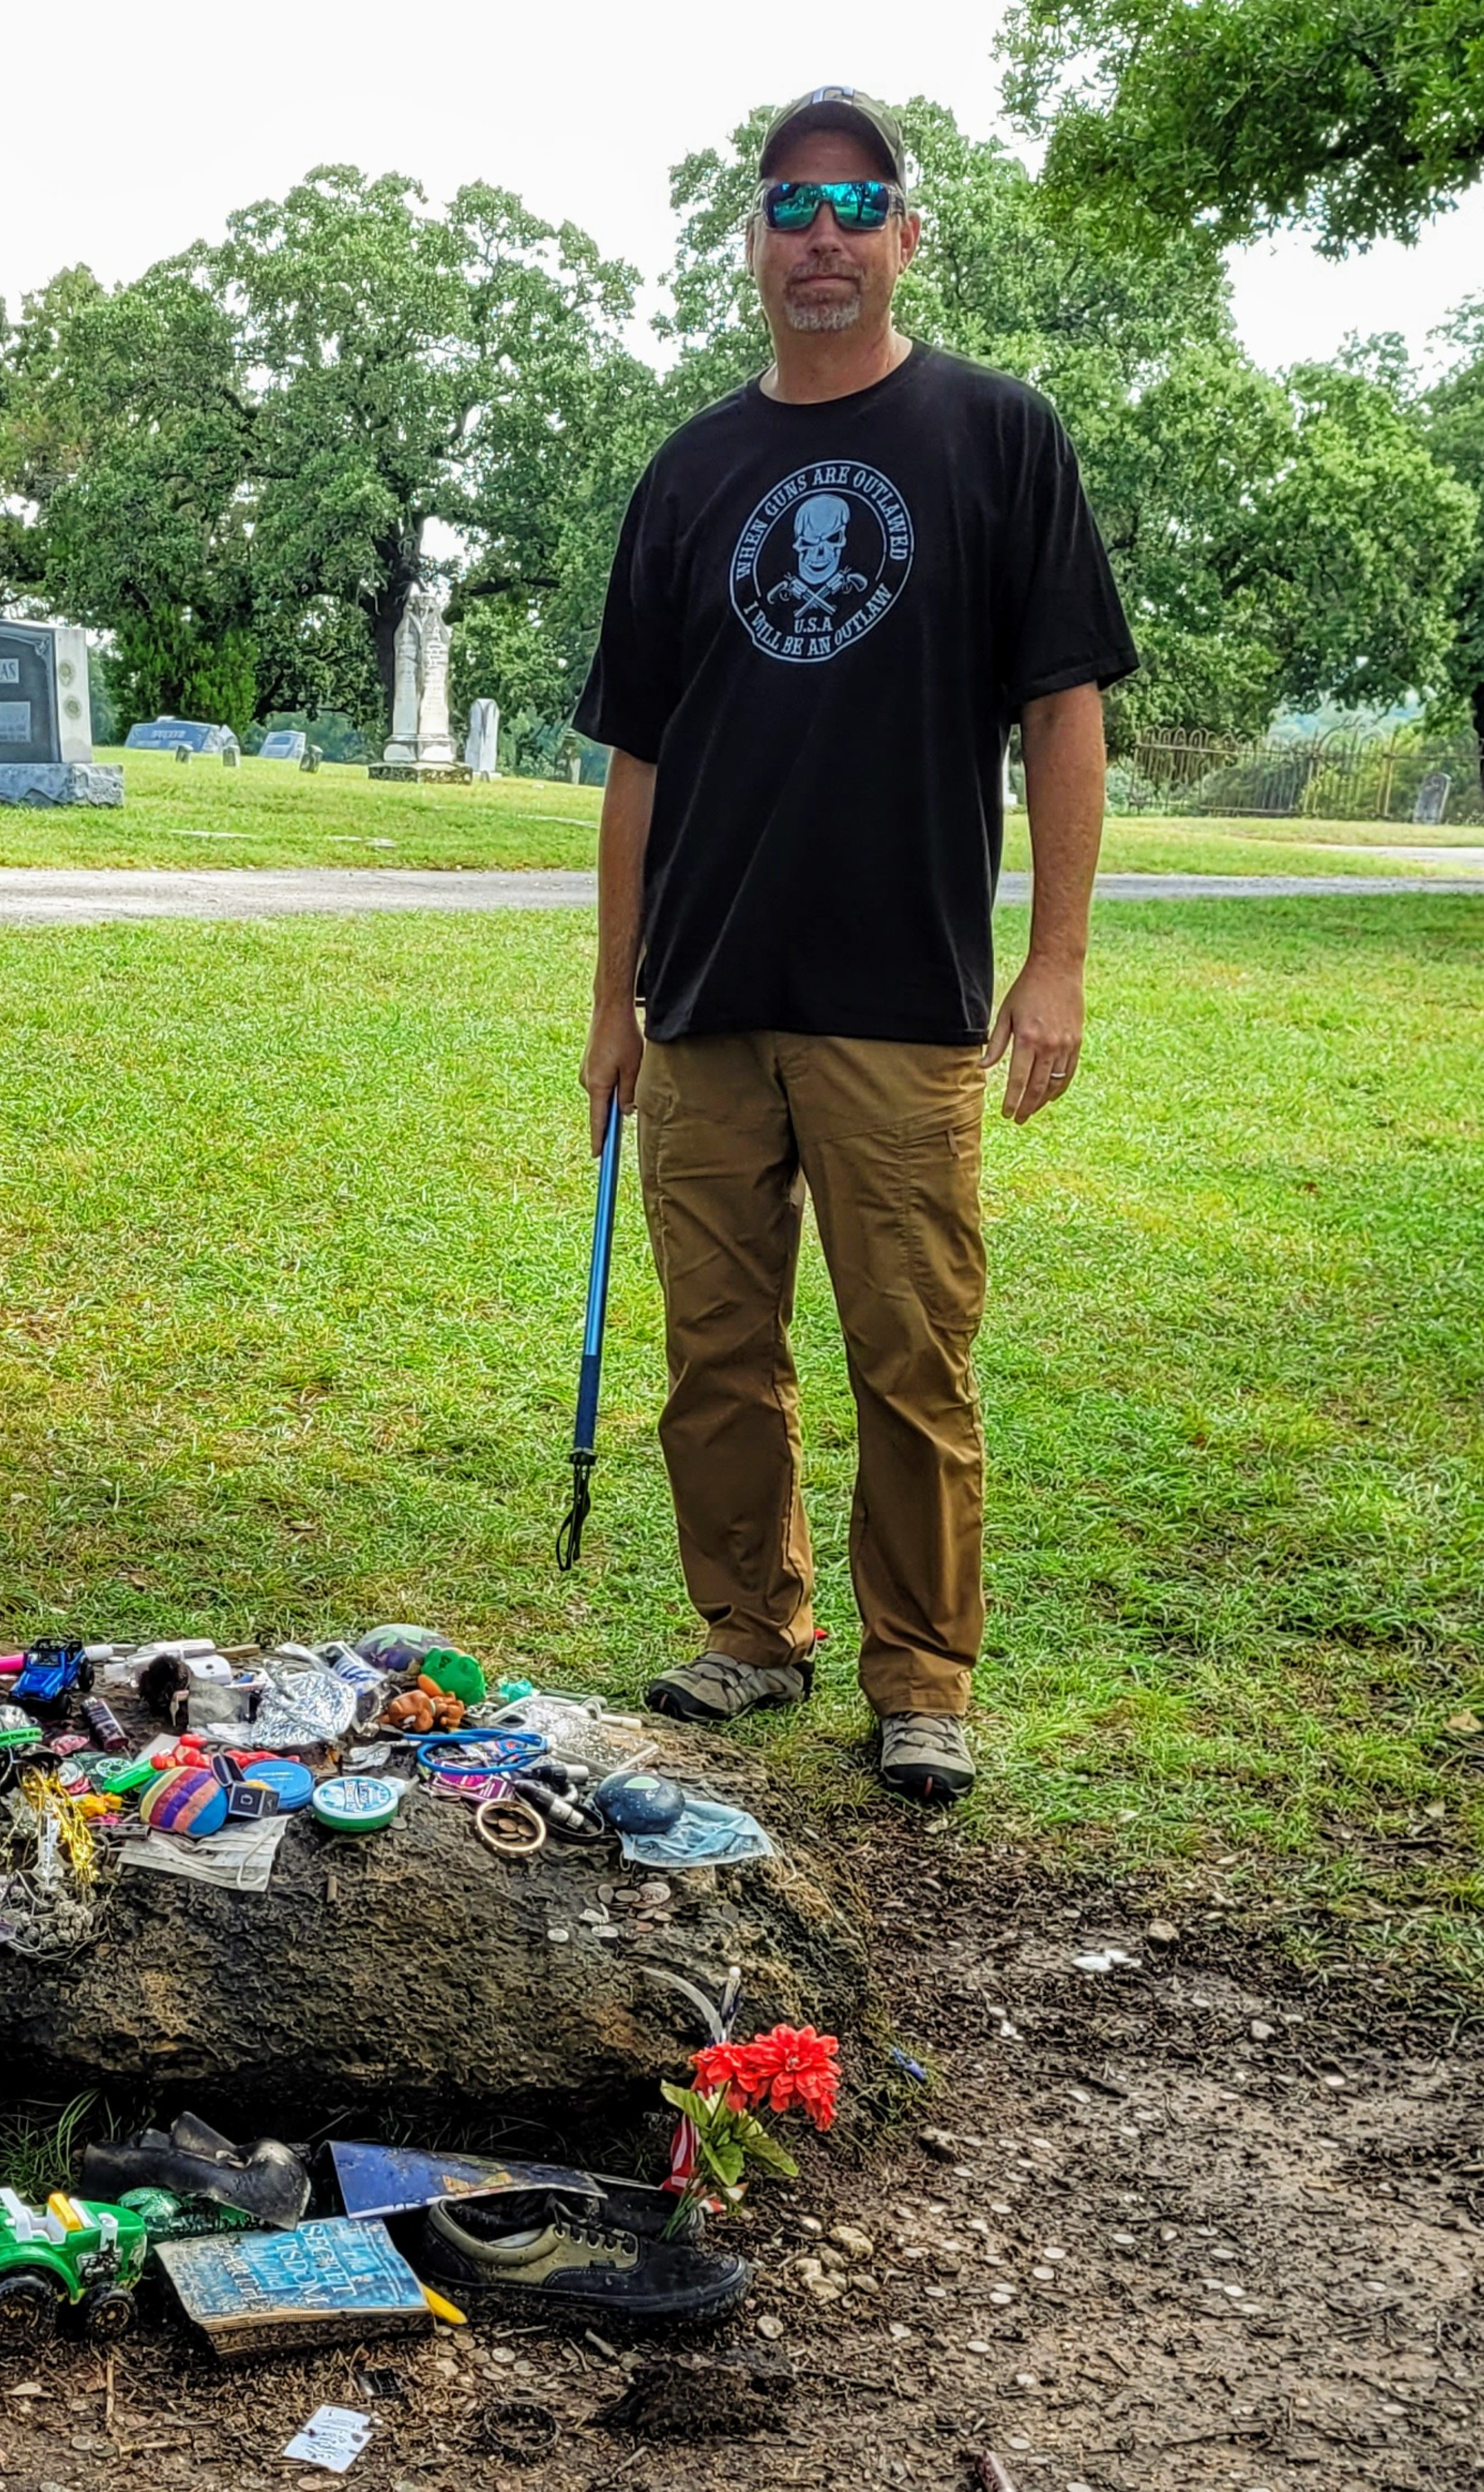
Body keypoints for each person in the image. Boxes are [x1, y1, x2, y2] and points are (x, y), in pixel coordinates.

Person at [575, 86, 1138, 1803]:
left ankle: (920, 1676)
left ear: (907, 235)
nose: (823, 236)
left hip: (902, 1001)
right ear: (754, 243)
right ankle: (750, 1630)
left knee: (913, 1350)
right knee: (716, 1349)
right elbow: (638, 762)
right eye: (792, 206)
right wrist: (614, 1000)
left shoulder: (995, 436)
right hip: (709, 998)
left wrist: (1054, 963)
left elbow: (1063, 714)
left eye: (858, 202)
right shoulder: (690, 472)